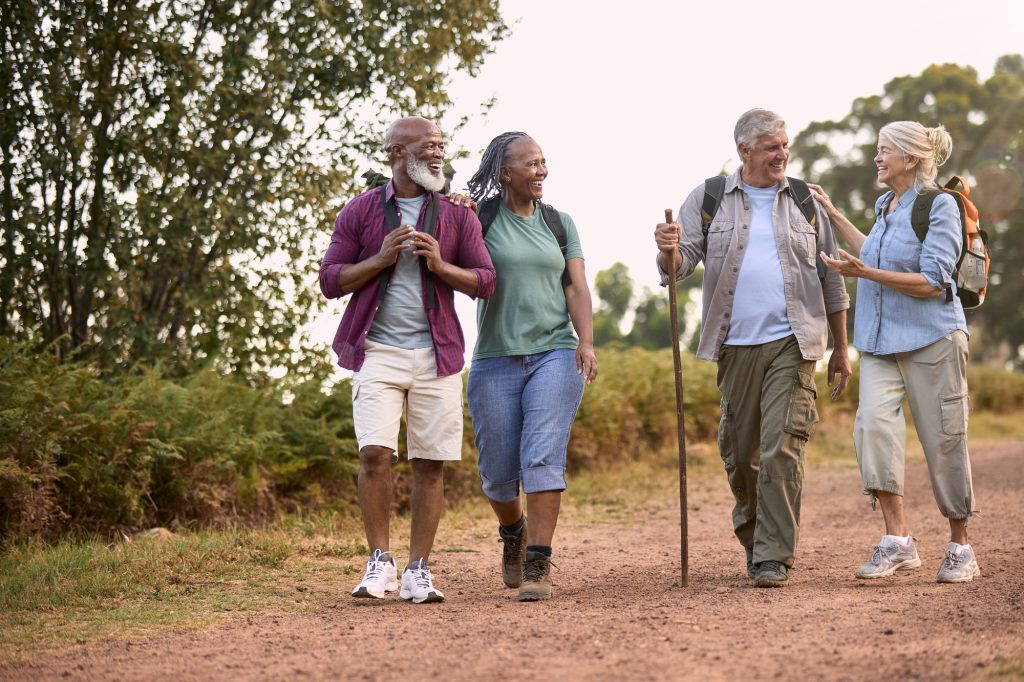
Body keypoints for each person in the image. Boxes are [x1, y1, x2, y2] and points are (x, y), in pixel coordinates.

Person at [654, 109, 851, 588]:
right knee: (742, 456)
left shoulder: (805, 200)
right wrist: (667, 248)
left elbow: (832, 277)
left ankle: (773, 556)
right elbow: (678, 267)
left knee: (781, 446)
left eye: (784, 144)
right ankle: (756, 536)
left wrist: (841, 349)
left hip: (795, 341)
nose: (782, 153)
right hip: (734, 345)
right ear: (745, 151)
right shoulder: (709, 198)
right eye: (771, 147)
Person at [318, 116, 496, 603]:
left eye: (441, 146)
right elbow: (330, 280)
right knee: (375, 454)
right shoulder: (360, 212)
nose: (438, 154)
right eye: (427, 146)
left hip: (437, 355)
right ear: (398, 153)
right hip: (376, 351)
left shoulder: (458, 215)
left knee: (430, 464)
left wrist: (440, 265)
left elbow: (485, 280)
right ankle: (380, 561)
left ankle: (419, 569)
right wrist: (379, 258)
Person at [809, 121, 980, 583]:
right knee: (873, 431)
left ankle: (961, 546)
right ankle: (897, 541)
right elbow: (875, 257)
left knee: (944, 440)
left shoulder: (938, 206)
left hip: (933, 340)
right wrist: (833, 214)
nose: (877, 158)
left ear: (910, 158)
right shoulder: (887, 204)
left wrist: (864, 274)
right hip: (880, 344)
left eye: (884, 151)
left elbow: (931, 281)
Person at [464, 131, 597, 602]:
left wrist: (587, 343)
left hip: (555, 352)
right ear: (504, 173)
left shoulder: (559, 224)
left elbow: (576, 287)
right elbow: (456, 264)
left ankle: (539, 561)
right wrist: (455, 211)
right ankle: (513, 532)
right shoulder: (479, 219)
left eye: (544, 162)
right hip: (495, 357)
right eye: (530, 164)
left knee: (542, 457)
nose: (541, 171)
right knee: (498, 476)